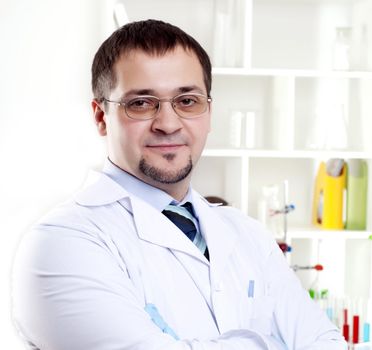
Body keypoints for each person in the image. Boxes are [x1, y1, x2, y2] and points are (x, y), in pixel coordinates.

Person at [12, 19, 346, 350]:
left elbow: (327, 342)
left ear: (209, 112)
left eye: (187, 101)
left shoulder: (248, 234)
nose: (168, 124)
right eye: (141, 103)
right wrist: (271, 342)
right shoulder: (61, 242)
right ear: (101, 117)